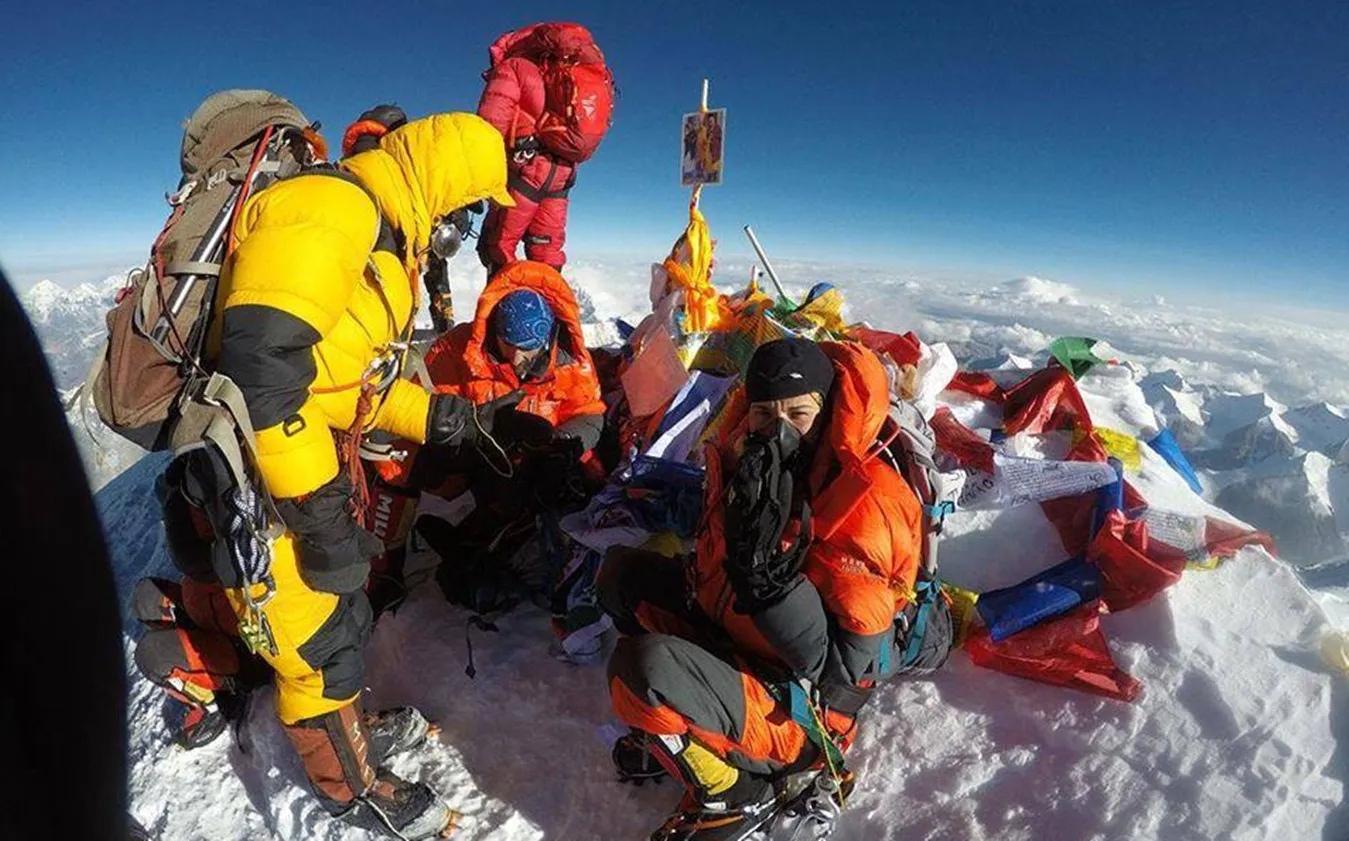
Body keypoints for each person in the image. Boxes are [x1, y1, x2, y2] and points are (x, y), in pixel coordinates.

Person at [201, 111, 518, 839]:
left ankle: (349, 724)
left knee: (344, 613)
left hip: (298, 463)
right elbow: (261, 375)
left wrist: (449, 420)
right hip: (256, 479)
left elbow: (349, 378)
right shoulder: (333, 208)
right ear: (443, 187)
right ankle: (352, 791)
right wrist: (317, 514)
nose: (464, 228)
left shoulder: (379, 235)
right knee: (313, 641)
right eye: (467, 208)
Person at [600, 337, 954, 841]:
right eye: (765, 412)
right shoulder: (747, 460)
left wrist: (771, 583)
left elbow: (843, 669)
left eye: (799, 412)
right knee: (620, 576)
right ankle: (691, 727)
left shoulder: (865, 501)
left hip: (800, 706)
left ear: (828, 410)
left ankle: (734, 795)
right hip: (735, 629)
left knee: (640, 670)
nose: (779, 429)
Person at [406, 260, 606, 614]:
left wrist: (562, 449)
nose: (516, 359)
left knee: (549, 505)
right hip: (481, 458)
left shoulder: (569, 361)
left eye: (527, 349)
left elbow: (588, 412)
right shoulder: (457, 352)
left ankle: (480, 549)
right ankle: (477, 547)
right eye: (507, 344)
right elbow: (420, 411)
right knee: (501, 498)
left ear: (546, 339)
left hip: (541, 460)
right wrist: (415, 474)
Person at [474, 23, 613, 275]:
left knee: (499, 247)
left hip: (525, 172)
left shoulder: (515, 67)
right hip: (562, 177)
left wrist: (482, 171)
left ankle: (502, 311)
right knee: (547, 252)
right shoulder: (568, 72)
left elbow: (490, 124)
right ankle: (553, 310)